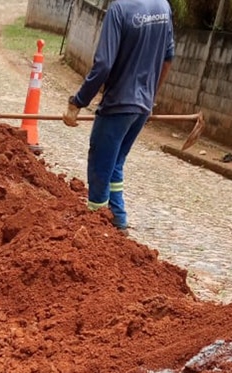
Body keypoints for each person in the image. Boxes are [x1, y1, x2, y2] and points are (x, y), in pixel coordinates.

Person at [64, 0, 175, 230]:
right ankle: (118, 221)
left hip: (118, 105)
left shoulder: (120, 9)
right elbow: (168, 58)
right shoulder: (163, 7)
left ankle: (97, 230)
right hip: (142, 107)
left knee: (100, 167)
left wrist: (78, 102)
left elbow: (103, 64)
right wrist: (151, 97)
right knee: (115, 164)